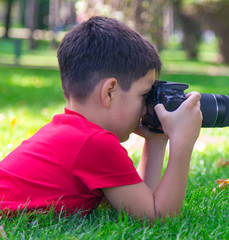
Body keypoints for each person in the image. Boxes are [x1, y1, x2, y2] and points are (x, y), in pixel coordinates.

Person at [0, 16, 202, 220]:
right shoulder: (95, 142)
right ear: (109, 92)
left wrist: (156, 141)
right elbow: (156, 217)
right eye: (143, 95)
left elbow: (139, 203)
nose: (145, 108)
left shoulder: (72, 132)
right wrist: (182, 144)